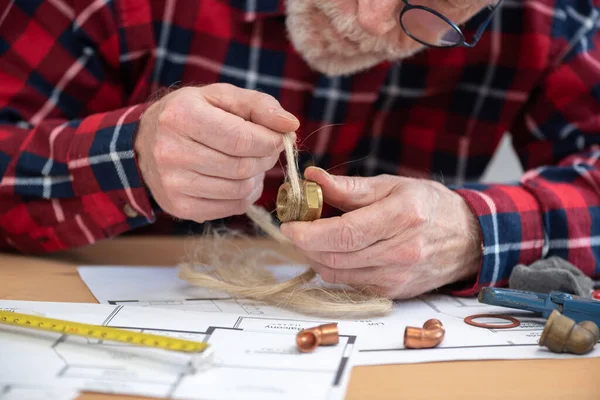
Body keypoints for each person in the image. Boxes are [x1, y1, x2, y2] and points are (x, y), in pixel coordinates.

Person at [0, 0, 599, 300]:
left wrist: (476, 232)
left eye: (431, 6)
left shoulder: (555, 15)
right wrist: (128, 154)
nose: (369, 20)